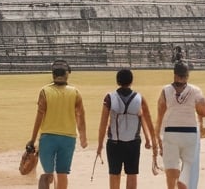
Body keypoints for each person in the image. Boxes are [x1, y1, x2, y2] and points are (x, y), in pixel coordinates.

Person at [27, 59, 87, 189]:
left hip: (48, 138)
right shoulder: (75, 92)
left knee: (47, 174)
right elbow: (80, 116)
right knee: (62, 173)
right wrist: (83, 137)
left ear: (53, 74)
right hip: (68, 138)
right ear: (67, 74)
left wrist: (32, 140)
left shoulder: (44, 91)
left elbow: (39, 117)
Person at [155, 60, 205, 189]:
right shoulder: (195, 90)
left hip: (171, 133)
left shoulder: (166, 91)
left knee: (171, 170)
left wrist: (157, 137)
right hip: (190, 133)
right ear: (187, 75)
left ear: (174, 74)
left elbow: (160, 115)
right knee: (186, 171)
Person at [96, 68, 155, 189]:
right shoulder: (139, 98)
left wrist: (99, 144)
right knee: (132, 174)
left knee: (114, 174)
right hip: (133, 143)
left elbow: (103, 123)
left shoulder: (109, 98)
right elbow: (147, 119)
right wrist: (151, 139)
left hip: (114, 143)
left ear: (117, 81)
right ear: (131, 81)